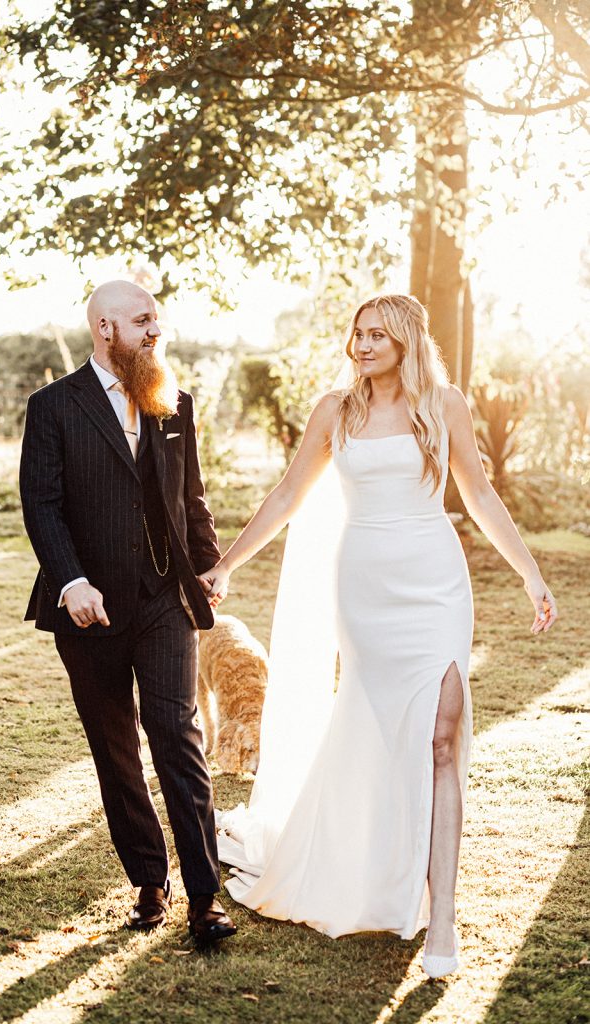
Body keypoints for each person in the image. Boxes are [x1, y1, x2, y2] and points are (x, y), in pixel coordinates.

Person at [201, 293, 556, 976]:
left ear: (404, 341)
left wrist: (530, 575)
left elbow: (478, 495)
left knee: (440, 736)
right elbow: (286, 495)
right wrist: (224, 563)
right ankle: (364, 866)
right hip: (364, 588)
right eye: (355, 335)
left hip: (435, 583)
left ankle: (441, 916)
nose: (359, 346)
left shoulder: (443, 404)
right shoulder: (337, 410)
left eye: (374, 336)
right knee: (375, 730)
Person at [19, 280, 237, 946]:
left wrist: (209, 565)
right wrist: (72, 581)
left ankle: (204, 895)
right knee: (114, 749)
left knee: (177, 733)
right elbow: (42, 504)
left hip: (164, 600)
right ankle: (149, 881)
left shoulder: (175, 404)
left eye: (157, 322)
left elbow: (189, 498)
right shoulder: (53, 406)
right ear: (104, 327)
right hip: (88, 609)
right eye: (143, 321)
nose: (155, 332)